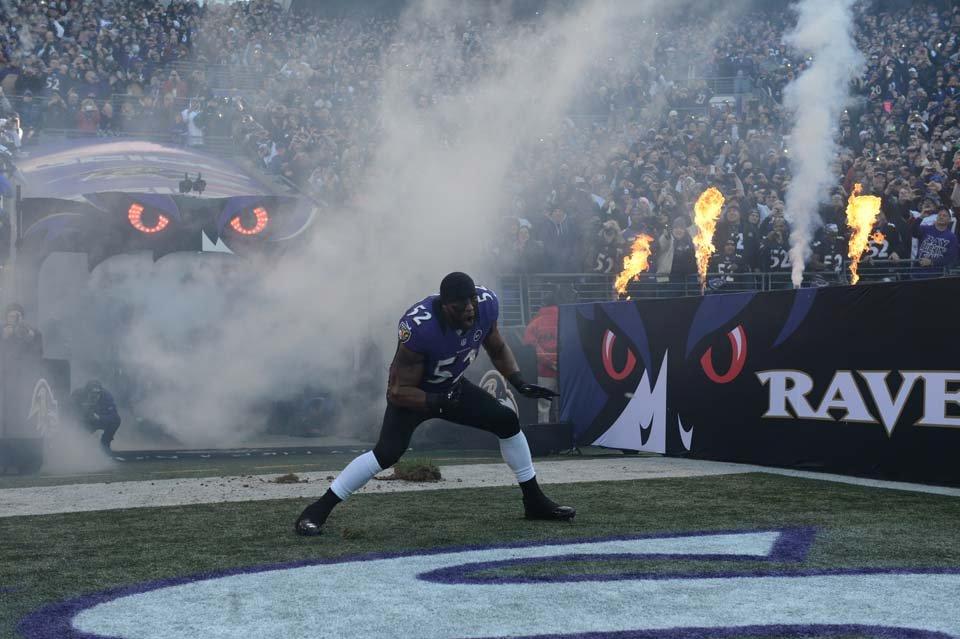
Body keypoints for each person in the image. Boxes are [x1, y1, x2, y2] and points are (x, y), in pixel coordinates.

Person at [294, 272, 574, 536]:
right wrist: (437, 401)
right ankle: (317, 510)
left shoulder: (486, 305)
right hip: (415, 395)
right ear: (445, 306)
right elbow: (397, 392)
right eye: (461, 305)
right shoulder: (421, 327)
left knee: (507, 421)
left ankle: (534, 501)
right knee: (386, 453)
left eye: (472, 301)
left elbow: (497, 347)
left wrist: (518, 382)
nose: (470, 309)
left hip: (453, 388)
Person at [69, 380, 122, 453]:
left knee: (116, 420)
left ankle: (105, 445)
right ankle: (79, 447)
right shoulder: (78, 395)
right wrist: (80, 415)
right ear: (87, 392)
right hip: (83, 422)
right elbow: (68, 412)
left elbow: (114, 416)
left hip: (99, 420)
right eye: (92, 393)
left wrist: (100, 417)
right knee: (78, 438)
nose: (95, 397)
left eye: (98, 394)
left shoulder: (106, 396)